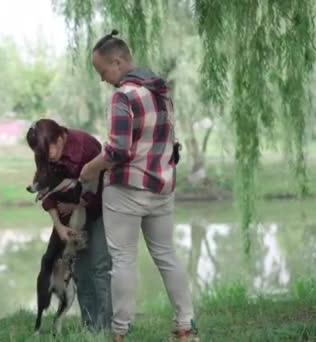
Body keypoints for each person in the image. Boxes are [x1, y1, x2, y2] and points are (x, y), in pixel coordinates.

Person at [79, 30, 199, 341]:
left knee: (123, 260)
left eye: (102, 71)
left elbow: (118, 151)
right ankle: (186, 326)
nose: (103, 79)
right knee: (166, 255)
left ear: (117, 62)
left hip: (127, 191)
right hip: (161, 188)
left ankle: (120, 332)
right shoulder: (162, 93)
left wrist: (90, 169)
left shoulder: (124, 97)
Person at [26, 118, 112, 331]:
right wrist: (59, 226)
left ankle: (107, 326)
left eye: (50, 151)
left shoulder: (87, 146)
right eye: (41, 155)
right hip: (70, 221)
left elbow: (101, 187)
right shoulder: (43, 153)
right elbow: (47, 195)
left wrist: (76, 205)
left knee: (100, 266)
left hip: (98, 210)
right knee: (81, 272)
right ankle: (90, 326)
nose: (47, 158)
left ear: (60, 137)